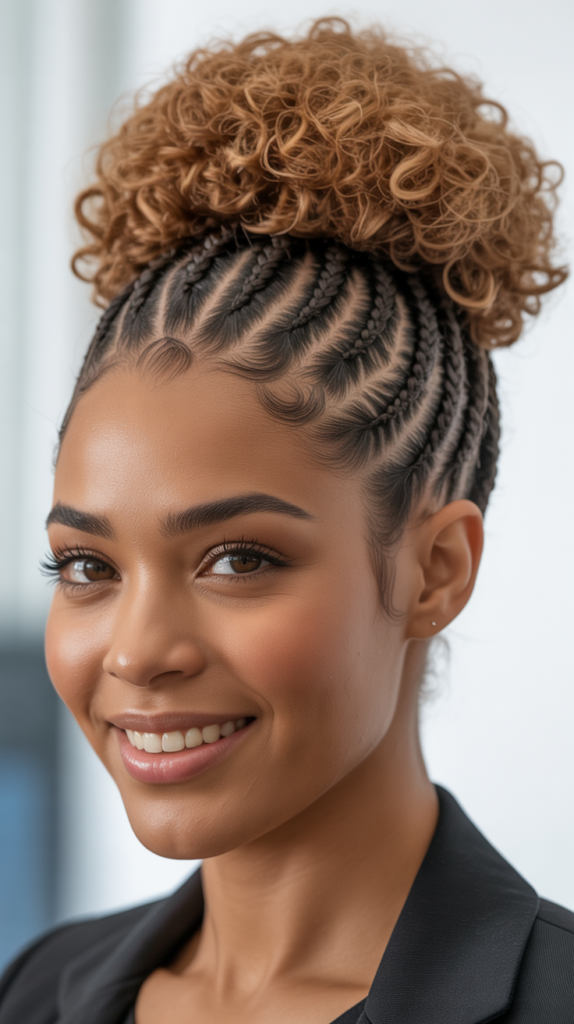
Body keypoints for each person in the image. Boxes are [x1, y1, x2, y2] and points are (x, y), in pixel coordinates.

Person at [0, 18, 571, 1024]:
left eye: (237, 557)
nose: (138, 651)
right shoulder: (36, 991)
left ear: (435, 569)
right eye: (88, 565)